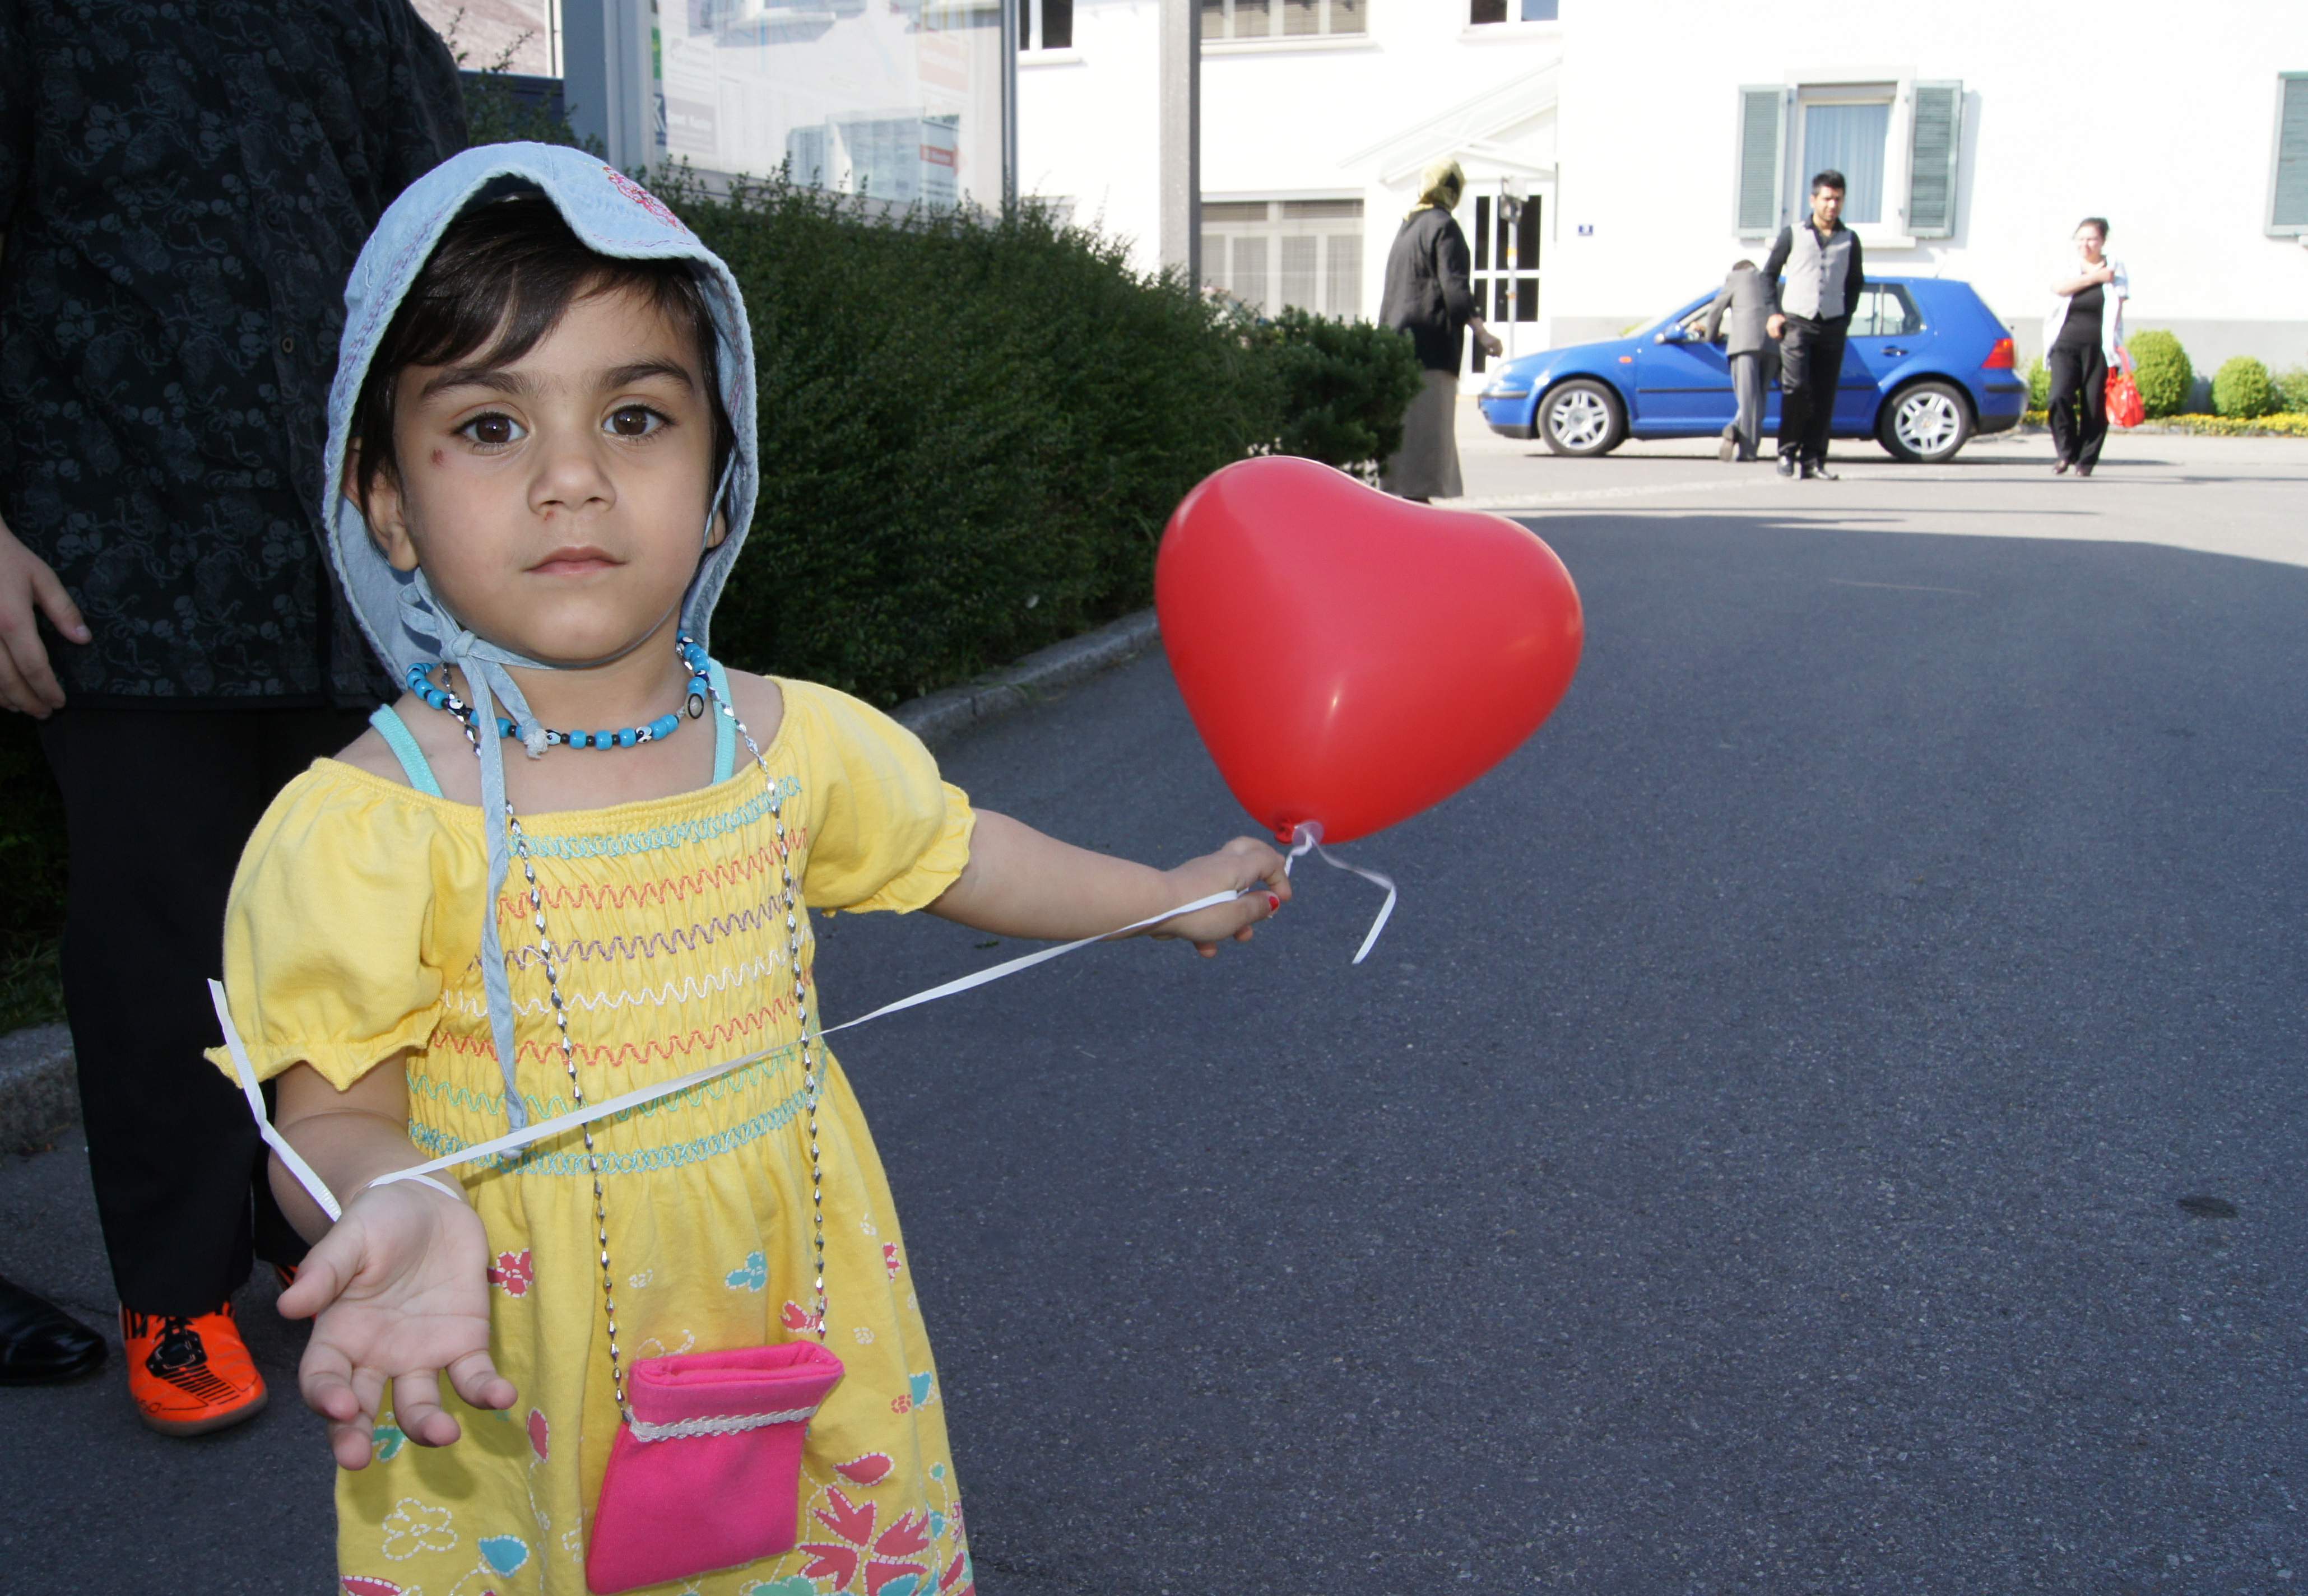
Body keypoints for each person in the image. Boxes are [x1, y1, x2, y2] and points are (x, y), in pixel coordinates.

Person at [205, 145, 1291, 1593]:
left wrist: (1168, 897)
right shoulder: (365, 824)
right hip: (503, 1347)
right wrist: (388, 1200)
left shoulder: (792, 744)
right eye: (487, 425)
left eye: (635, 416)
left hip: (793, 1310)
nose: (571, 478)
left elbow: (962, 851)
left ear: (720, 485)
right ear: (388, 501)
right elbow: (330, 1115)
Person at [0, 2, 466, 1429]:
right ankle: (176, 1290)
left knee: (360, 933)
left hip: (347, 572)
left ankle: (322, 1219)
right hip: (117, 572)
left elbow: (442, 255)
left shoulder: (359, 23)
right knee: (163, 948)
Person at [1378, 159, 1503, 501]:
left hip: (1395, 345)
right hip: (1431, 349)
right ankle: (1417, 514)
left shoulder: (1407, 228)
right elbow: (1455, 289)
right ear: (1453, 191)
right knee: (1427, 439)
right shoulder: (1444, 227)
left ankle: (1400, 507)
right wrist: (1482, 333)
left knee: (1403, 440)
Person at [1762, 170, 1866, 480]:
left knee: (1825, 394)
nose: (1832, 205)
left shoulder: (1850, 239)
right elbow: (1768, 275)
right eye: (1827, 199)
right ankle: (1786, 452)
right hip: (1797, 322)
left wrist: (1846, 318)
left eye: (1838, 199)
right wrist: (1773, 313)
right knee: (1796, 388)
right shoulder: (1793, 234)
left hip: (1832, 325)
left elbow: (1855, 282)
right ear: (1813, 200)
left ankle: (1814, 459)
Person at [2044, 216, 2128, 477]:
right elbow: (2060, 288)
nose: (2086, 244)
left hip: (2100, 347)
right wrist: (2095, 277)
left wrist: (2102, 277)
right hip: (2065, 343)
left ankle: (2086, 460)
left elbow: (2120, 301)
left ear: (2102, 241)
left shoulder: (2115, 267)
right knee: (2058, 397)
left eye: (2092, 239)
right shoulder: (2068, 266)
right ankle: (2065, 452)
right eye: (2081, 239)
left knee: (2094, 405)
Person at [1701, 258, 1777, 462]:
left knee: (1748, 399)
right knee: (1759, 399)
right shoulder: (1771, 280)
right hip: (1772, 346)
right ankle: (1738, 431)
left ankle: (1747, 451)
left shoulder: (1736, 278)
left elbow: (1716, 309)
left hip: (1744, 344)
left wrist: (1710, 336)